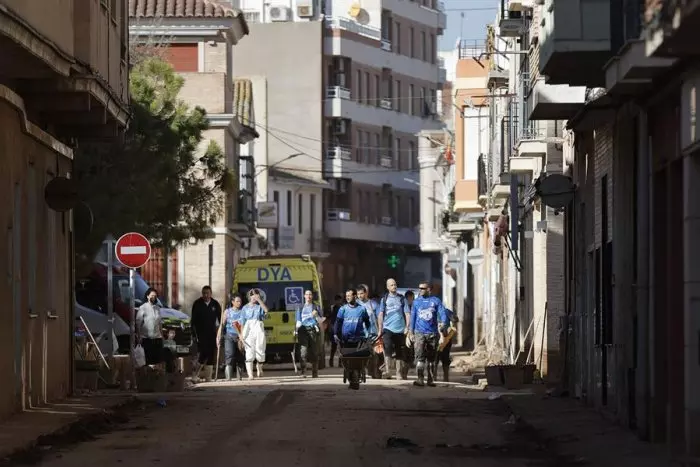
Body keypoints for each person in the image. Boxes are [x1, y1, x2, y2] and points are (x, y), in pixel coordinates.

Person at [409, 281, 450, 387]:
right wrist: (411, 332)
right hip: (419, 333)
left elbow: (442, 313)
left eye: (423, 288)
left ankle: (430, 379)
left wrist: (443, 324)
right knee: (420, 357)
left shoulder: (436, 301)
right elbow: (413, 318)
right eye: (419, 288)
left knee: (432, 358)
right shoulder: (416, 302)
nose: (420, 290)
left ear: (429, 289)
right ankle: (420, 379)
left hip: (432, 333)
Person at [376, 278, 411, 380]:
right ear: (387, 287)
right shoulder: (384, 299)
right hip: (388, 328)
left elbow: (407, 313)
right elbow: (380, 315)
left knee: (399, 351)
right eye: (391, 285)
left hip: (400, 329)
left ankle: (399, 373)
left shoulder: (402, 298)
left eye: (395, 284)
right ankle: (387, 371)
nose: (394, 286)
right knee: (387, 348)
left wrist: (407, 327)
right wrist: (380, 330)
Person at [191, 285, 222, 382]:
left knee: (211, 354)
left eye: (207, 293)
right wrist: (194, 334)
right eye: (204, 293)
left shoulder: (215, 304)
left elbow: (220, 320)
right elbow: (193, 321)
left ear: (210, 294)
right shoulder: (197, 303)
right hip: (201, 333)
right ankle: (195, 375)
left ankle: (208, 377)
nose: (205, 295)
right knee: (203, 354)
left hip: (212, 333)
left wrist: (220, 333)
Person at [241, 288, 269, 379]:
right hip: (248, 330)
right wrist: (241, 336)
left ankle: (259, 367)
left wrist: (259, 300)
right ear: (249, 296)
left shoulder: (259, 306)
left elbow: (266, 311)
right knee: (249, 351)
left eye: (256, 296)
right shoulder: (244, 308)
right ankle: (250, 374)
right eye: (252, 295)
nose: (254, 297)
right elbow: (242, 322)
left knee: (260, 349)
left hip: (258, 328)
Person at [217, 294, 246, 381]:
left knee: (240, 356)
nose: (239, 303)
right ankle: (228, 378)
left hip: (240, 337)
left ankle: (239, 377)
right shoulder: (227, 312)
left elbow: (244, 325)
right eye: (237, 301)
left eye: (240, 301)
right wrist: (218, 336)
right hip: (229, 336)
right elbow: (222, 324)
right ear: (233, 302)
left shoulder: (243, 311)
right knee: (229, 355)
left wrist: (242, 336)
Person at [135, 287, 164, 367]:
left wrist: (162, 336)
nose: (153, 297)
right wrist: (139, 335)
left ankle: (156, 377)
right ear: (147, 296)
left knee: (157, 360)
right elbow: (138, 323)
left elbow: (160, 323)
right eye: (152, 295)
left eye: (155, 296)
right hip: (147, 339)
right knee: (147, 361)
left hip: (157, 338)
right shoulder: (143, 308)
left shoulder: (158, 308)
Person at [295, 290, 322, 378]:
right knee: (303, 352)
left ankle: (315, 372)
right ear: (304, 296)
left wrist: (317, 316)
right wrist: (295, 331)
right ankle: (303, 371)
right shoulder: (300, 307)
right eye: (307, 294)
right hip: (303, 330)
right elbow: (298, 320)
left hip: (313, 330)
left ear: (312, 296)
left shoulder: (316, 306)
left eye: (310, 294)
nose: (309, 296)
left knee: (314, 352)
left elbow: (321, 319)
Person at [357, 284, 381, 378]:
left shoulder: (374, 304)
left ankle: (374, 372)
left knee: (375, 355)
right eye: (358, 294)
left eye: (361, 293)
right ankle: (362, 372)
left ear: (366, 293)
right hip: (360, 334)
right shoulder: (355, 305)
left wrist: (380, 330)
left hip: (373, 333)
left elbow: (379, 318)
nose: (360, 296)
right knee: (361, 354)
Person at [437, 307, 458, 382]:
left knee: (441, 357)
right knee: (442, 357)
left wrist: (452, 326)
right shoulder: (445, 311)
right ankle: (442, 378)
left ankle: (441, 378)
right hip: (439, 337)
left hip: (444, 337)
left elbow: (455, 319)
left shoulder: (445, 311)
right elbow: (455, 319)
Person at [327, 294, 342, 367]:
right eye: (337, 300)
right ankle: (331, 360)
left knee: (341, 346)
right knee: (334, 347)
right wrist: (330, 327)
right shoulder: (332, 308)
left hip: (341, 329)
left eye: (339, 300)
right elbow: (329, 318)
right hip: (333, 329)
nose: (338, 302)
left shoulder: (342, 308)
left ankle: (340, 362)